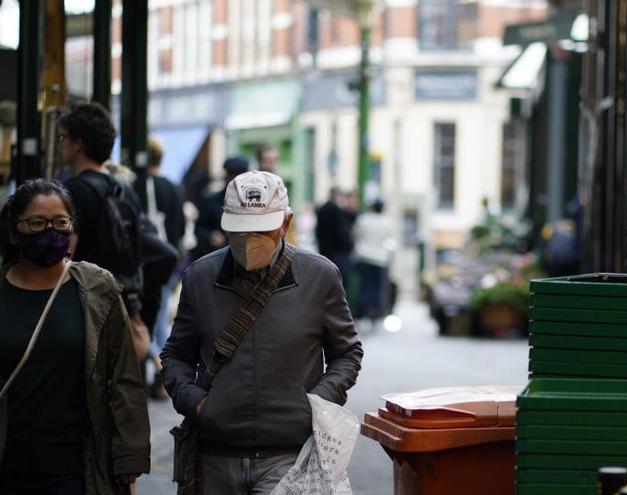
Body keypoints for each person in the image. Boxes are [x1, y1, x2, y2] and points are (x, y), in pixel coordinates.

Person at [161, 171, 363, 494]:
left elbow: (347, 354)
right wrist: (195, 402)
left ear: (286, 223)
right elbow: (175, 355)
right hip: (214, 457)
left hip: (288, 459)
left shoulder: (319, 276)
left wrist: (315, 404)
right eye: (241, 231)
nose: (250, 241)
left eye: (262, 230)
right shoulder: (201, 277)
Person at [0, 179, 151, 494]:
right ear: (15, 231)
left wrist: (129, 458)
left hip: (75, 466)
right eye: (37, 223)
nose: (50, 232)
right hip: (8, 461)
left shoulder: (98, 287)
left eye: (60, 222)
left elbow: (123, 378)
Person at [59, 102, 151, 354]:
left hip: (82, 306)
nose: (60, 144)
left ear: (78, 143)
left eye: (63, 137)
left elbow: (65, 255)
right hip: (119, 303)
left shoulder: (74, 191)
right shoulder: (125, 189)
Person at [192, 156, 249, 260]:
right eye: (231, 175)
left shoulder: (251, 203)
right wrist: (210, 237)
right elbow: (198, 230)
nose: (234, 180)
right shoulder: (210, 201)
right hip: (216, 257)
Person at [352, 199, 395, 325]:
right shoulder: (387, 223)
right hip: (380, 259)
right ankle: (374, 314)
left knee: (364, 286)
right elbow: (389, 241)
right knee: (377, 288)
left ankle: (363, 313)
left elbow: (355, 235)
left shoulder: (363, 220)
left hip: (363, 256)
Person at [316, 187, 354, 287]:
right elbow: (342, 233)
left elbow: (318, 231)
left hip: (324, 251)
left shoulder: (322, 209)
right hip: (337, 252)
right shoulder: (337, 211)